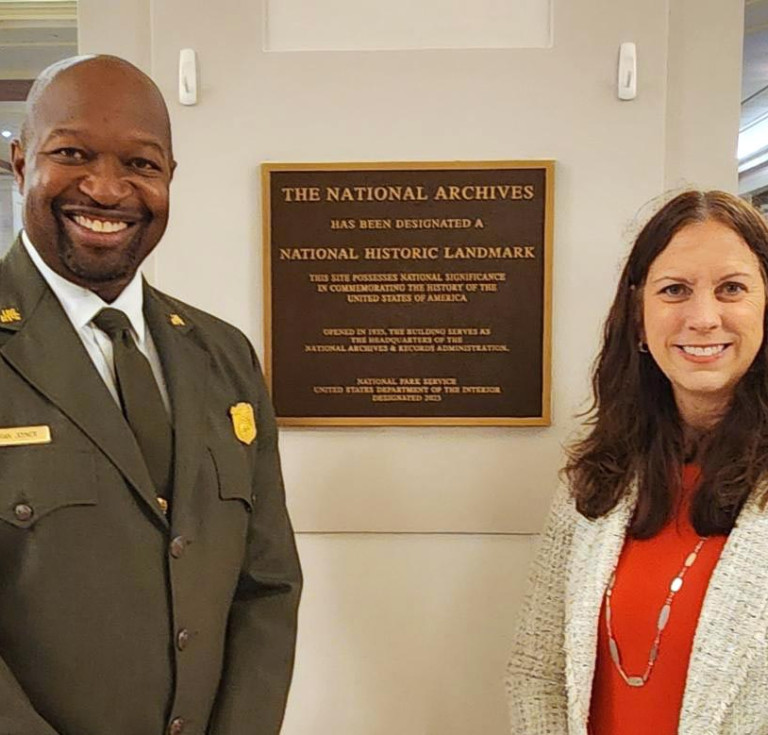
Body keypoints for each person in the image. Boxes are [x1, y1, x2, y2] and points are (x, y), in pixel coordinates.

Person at [1, 55, 301, 735]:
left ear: (168, 178)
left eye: (140, 164)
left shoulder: (224, 355)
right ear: (20, 164)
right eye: (71, 153)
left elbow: (268, 585)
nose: (106, 190)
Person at [506, 190, 768, 735]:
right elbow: (538, 672)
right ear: (637, 314)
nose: (702, 317)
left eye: (732, 289)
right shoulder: (596, 478)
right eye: (674, 290)